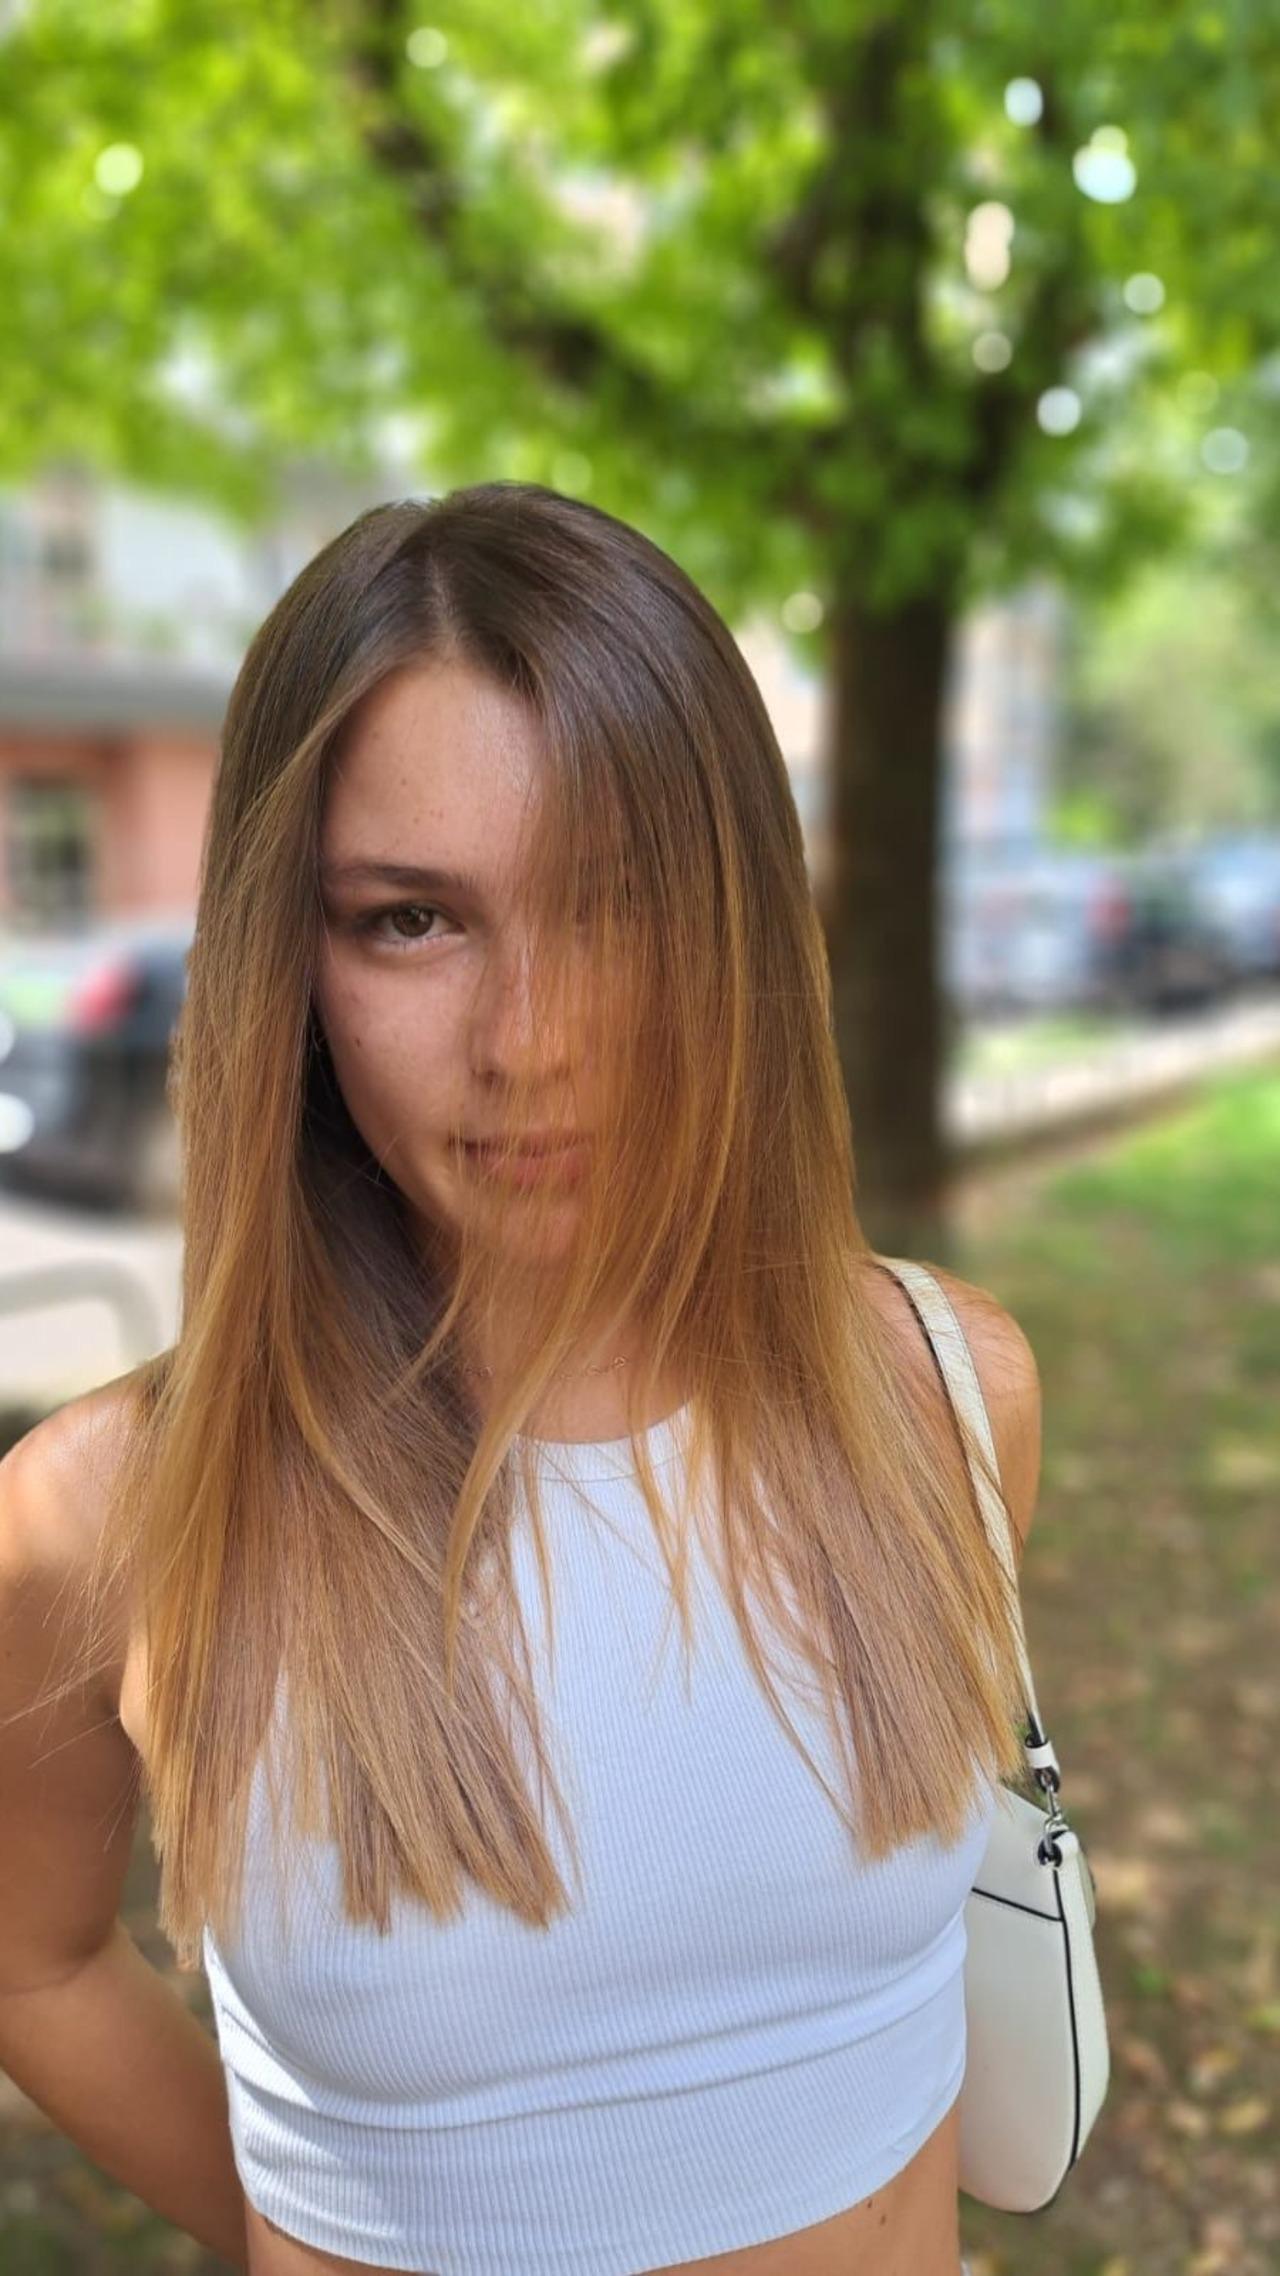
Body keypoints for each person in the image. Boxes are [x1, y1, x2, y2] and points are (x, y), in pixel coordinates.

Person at [0, 483, 1041, 2276]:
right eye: (413, 920)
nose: (532, 1043)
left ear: (741, 927)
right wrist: (299, 2225)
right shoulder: (110, 1516)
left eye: (619, 902)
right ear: (288, 962)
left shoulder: (944, 1393)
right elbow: (30, 1955)